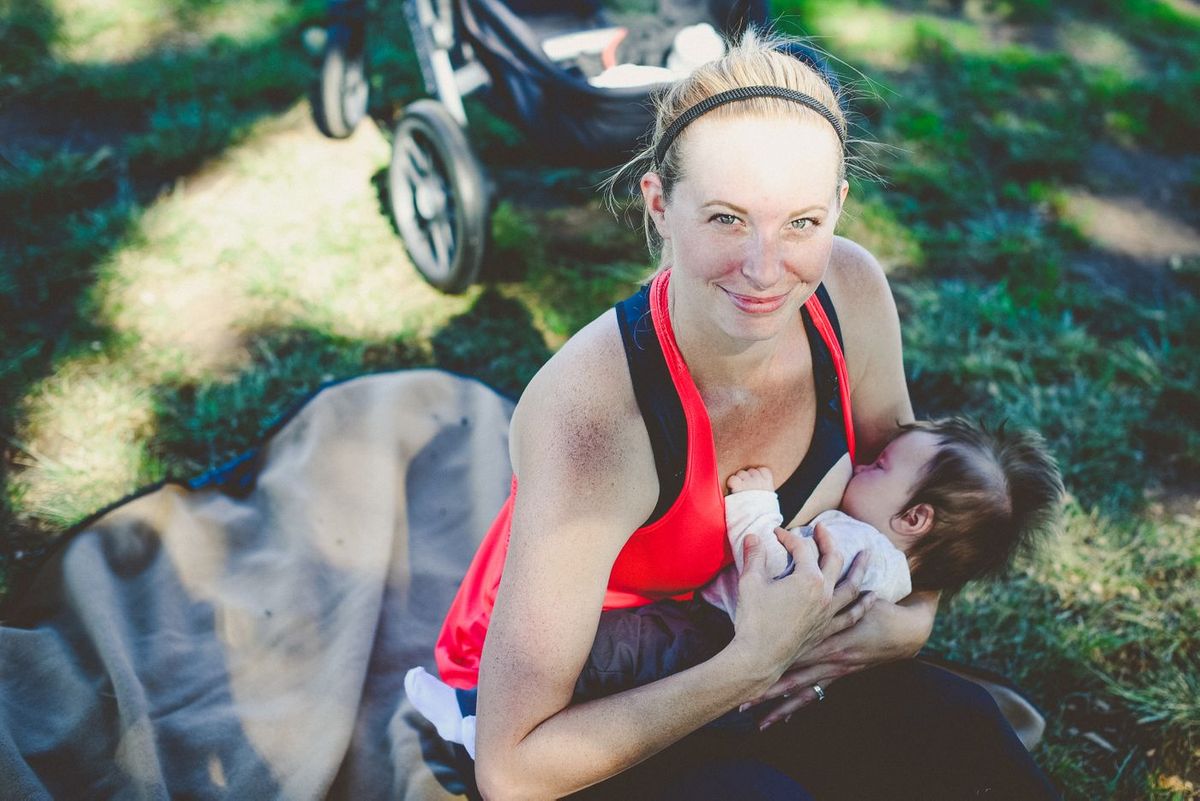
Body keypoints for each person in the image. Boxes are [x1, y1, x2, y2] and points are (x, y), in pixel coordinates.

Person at [428, 28, 1061, 800]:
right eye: (727, 218)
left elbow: (915, 509)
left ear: (838, 208)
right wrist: (748, 664)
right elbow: (513, 769)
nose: (766, 268)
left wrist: (912, 622)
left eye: (802, 223)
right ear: (659, 204)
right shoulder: (594, 421)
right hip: (591, 703)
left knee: (959, 725)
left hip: (754, 651)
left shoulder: (848, 293)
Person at [407, 417, 1064, 757]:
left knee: (599, 649)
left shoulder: (856, 549)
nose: (865, 460)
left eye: (881, 464)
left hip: (710, 639)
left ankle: (476, 715)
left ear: (913, 518)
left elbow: (771, 572)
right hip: (736, 662)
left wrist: (754, 507)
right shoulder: (891, 568)